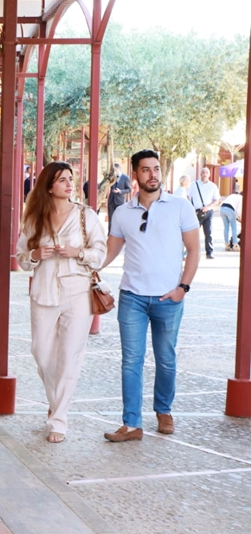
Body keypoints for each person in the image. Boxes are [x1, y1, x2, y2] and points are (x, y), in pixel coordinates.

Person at [102, 149, 200, 443]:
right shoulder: (122, 212)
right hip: (132, 296)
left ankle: (163, 410)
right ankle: (131, 423)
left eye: (156, 169)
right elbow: (109, 252)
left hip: (168, 299)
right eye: (146, 170)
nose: (153, 174)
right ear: (135, 175)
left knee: (166, 359)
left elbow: (194, 250)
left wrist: (182, 288)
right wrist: (83, 265)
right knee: (131, 361)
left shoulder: (180, 207)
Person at [15, 162, 106, 443]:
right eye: (62, 180)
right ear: (49, 186)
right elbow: (20, 258)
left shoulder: (85, 215)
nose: (69, 184)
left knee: (70, 356)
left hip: (77, 291)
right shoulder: (35, 218)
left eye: (70, 179)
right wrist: (35, 254)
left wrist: (78, 252)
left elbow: (100, 253)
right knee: (41, 353)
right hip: (43, 291)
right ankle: (56, 400)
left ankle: (59, 420)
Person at [188, 167, 220, 259]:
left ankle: (209, 253)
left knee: (209, 233)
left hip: (208, 212)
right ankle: (193, 253)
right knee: (194, 233)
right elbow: (186, 195)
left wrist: (208, 207)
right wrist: (191, 207)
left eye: (206, 172)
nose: (205, 174)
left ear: (209, 174)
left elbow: (217, 199)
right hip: (196, 212)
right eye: (203, 172)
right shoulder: (194, 184)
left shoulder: (213, 186)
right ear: (200, 174)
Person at [107, 163, 131, 230]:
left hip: (120, 201)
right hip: (111, 201)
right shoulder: (112, 178)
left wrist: (120, 191)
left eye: (115, 170)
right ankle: (109, 234)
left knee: (120, 219)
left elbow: (129, 189)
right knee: (111, 219)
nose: (114, 172)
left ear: (119, 169)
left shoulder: (126, 178)